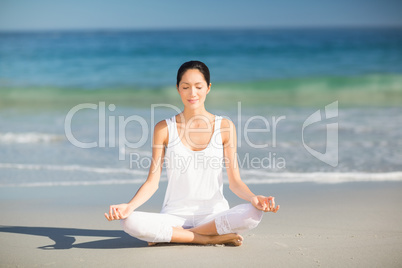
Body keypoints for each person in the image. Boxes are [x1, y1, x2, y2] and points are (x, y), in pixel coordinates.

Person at [104, 60, 279, 246]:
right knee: (129, 222)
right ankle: (205, 238)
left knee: (253, 214)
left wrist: (253, 198)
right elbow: (152, 183)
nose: (192, 93)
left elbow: (235, 182)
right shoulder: (164, 129)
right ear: (178, 88)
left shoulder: (225, 127)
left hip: (214, 214)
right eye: (186, 87)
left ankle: (175, 236)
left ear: (208, 88)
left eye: (198, 86)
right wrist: (129, 207)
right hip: (174, 215)